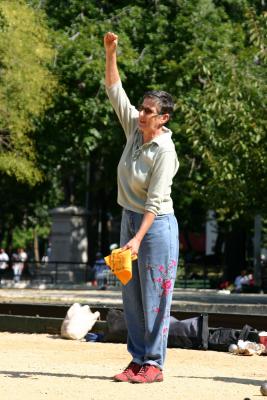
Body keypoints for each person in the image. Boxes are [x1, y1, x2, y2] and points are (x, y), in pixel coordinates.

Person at [104, 32, 179, 384]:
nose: (142, 113)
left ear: (162, 118)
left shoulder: (165, 150)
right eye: (143, 108)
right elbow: (115, 91)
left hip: (156, 226)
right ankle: (137, 359)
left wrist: (137, 239)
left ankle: (154, 363)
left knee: (155, 296)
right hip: (129, 217)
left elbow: (155, 199)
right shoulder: (135, 129)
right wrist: (111, 53)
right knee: (130, 294)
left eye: (149, 111)